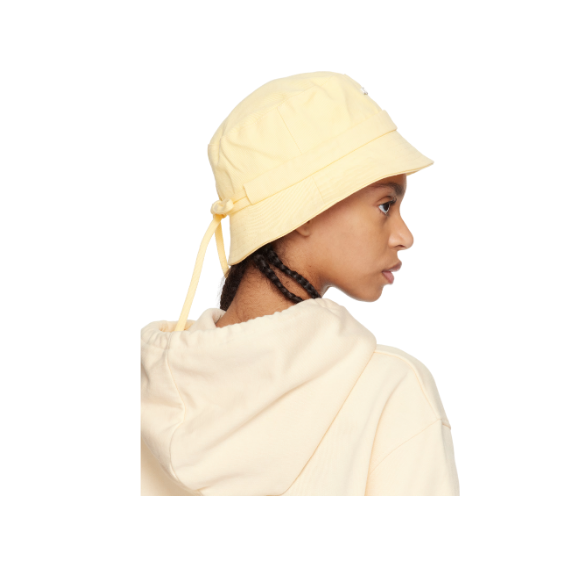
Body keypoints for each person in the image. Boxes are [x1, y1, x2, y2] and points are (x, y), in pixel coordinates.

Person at [140, 71, 460, 496]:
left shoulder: (145, 394)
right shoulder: (392, 393)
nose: (405, 236)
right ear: (304, 210)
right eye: (386, 205)